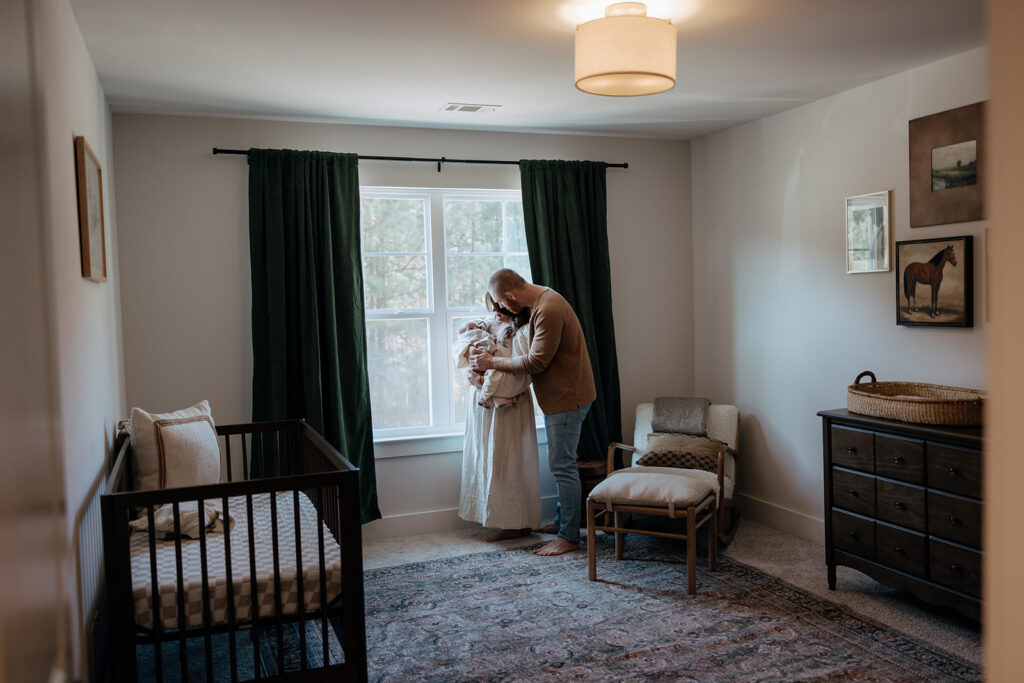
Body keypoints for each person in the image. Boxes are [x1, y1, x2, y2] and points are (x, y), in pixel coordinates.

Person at [470, 269, 596, 556]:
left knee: (562, 466)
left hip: (567, 398)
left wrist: (491, 363)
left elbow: (536, 362)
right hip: (566, 395)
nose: (504, 310)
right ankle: (563, 522)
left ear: (510, 295)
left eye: (503, 304)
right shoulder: (542, 301)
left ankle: (569, 537)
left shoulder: (548, 309)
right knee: (563, 462)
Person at [454, 294, 541, 541]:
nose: (496, 312)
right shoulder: (483, 326)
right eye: (493, 307)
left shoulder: (522, 332)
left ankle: (515, 522)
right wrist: (472, 361)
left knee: (508, 460)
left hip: (507, 404)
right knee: (486, 456)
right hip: (481, 405)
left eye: (501, 307)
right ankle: (500, 517)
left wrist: (484, 382)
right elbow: (463, 348)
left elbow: (520, 372)